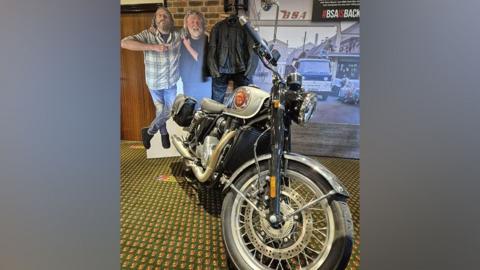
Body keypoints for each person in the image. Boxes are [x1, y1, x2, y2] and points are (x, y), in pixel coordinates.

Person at [121, 7, 181, 149]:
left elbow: (194, 32)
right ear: (154, 20)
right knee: (160, 109)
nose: (162, 17)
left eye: (165, 15)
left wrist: (206, 31)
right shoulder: (147, 35)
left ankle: (149, 132)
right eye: (159, 15)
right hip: (154, 82)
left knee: (170, 110)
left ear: (171, 20)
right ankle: (164, 133)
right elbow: (124, 43)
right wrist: (153, 47)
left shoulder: (178, 34)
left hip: (172, 81)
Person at [179, 10, 211, 109]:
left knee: (205, 112)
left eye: (198, 22)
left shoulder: (208, 39)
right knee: (189, 112)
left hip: (205, 83)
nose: (195, 24)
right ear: (186, 24)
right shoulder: (182, 38)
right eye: (192, 22)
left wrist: (188, 46)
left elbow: (202, 59)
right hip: (188, 83)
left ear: (202, 23)